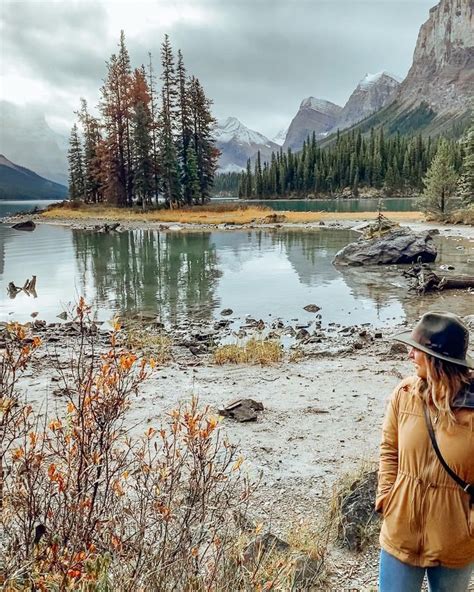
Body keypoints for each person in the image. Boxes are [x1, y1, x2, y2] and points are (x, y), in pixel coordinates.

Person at [376, 311, 474, 592]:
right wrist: (387, 498)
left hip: (454, 537)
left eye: (417, 349)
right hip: (400, 530)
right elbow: (388, 450)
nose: (409, 354)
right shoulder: (404, 395)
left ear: (436, 359)